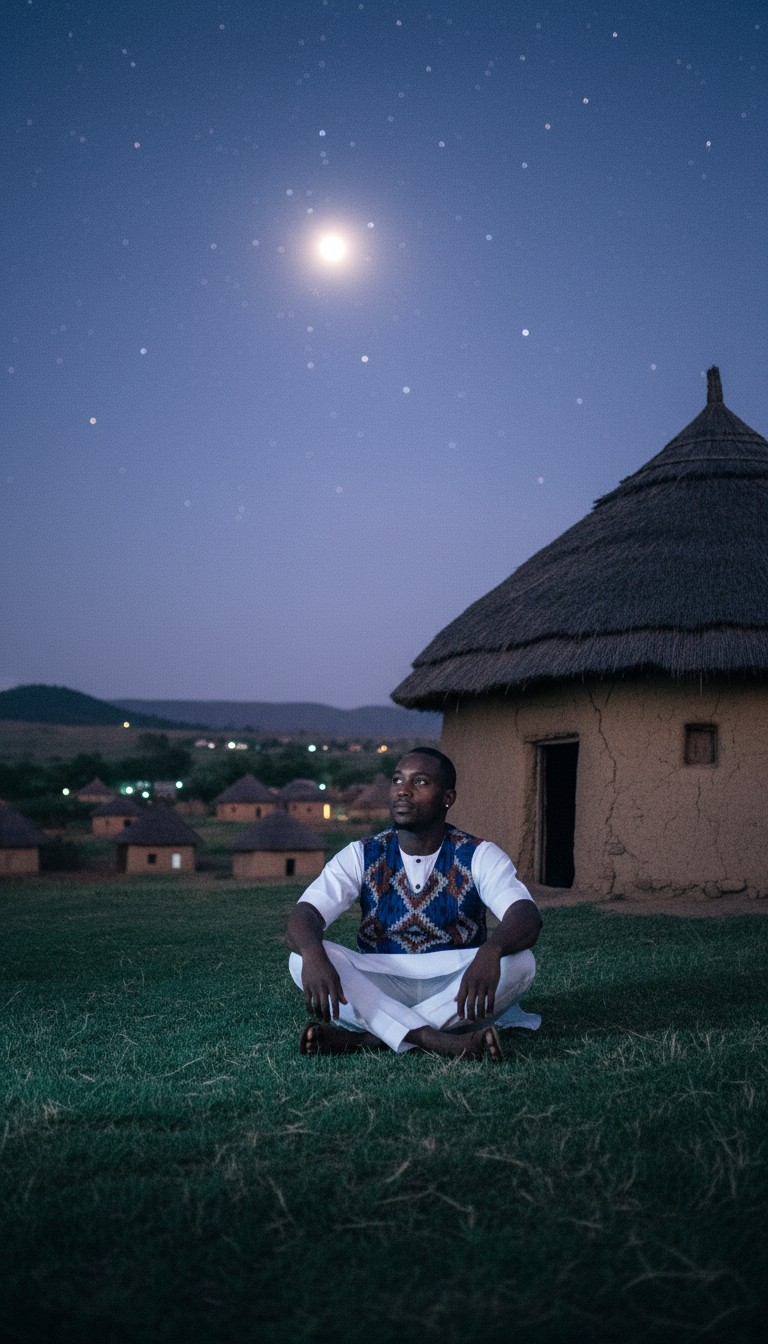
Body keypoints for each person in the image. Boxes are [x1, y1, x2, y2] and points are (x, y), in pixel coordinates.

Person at [286, 747, 542, 1061]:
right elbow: (305, 913)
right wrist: (313, 953)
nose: (403, 790)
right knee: (301, 959)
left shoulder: (478, 854)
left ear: (448, 798)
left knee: (520, 962)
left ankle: (371, 1036)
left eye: (420, 782)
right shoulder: (362, 853)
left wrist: (491, 951)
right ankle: (432, 1038)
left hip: (457, 982)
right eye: (397, 780)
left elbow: (525, 915)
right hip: (381, 978)